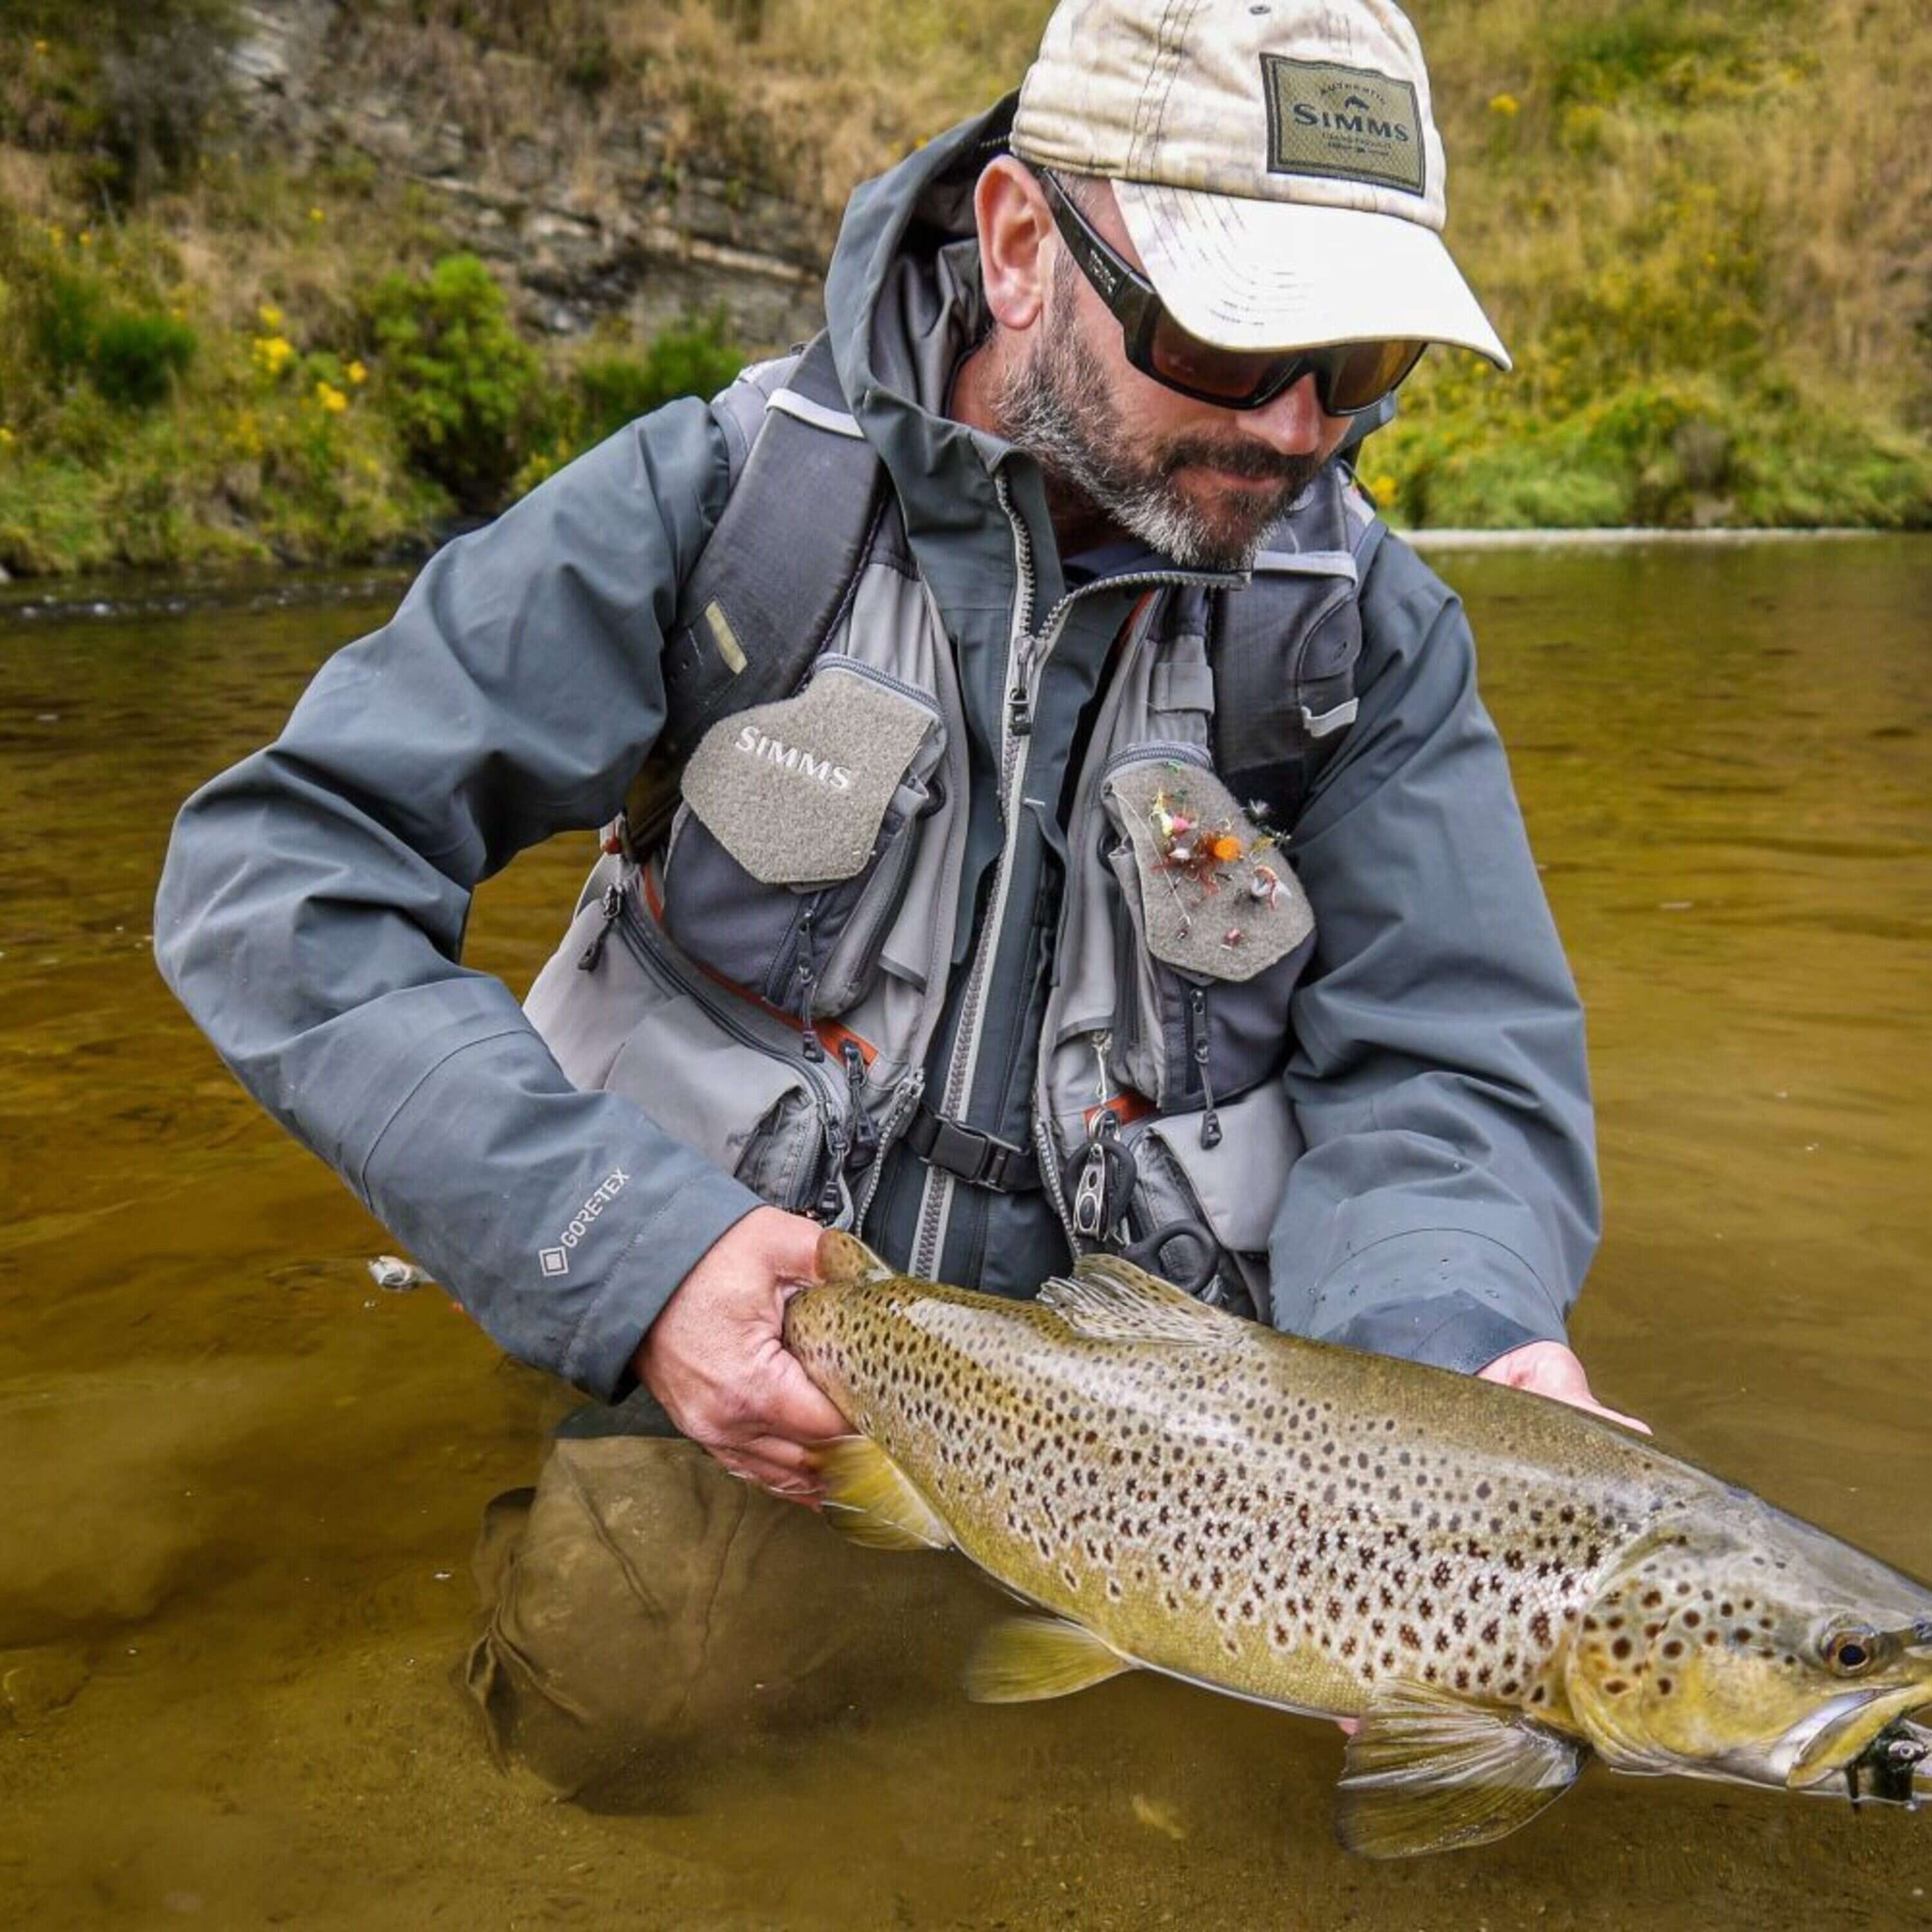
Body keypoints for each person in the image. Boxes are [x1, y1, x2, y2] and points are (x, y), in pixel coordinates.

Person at [155, 0, 1643, 1519]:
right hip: (734, 1412)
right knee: (623, 1735)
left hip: (1160, 1487)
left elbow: (1448, 1070)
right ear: (1018, 247)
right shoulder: (727, 509)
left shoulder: (1363, 641)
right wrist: (626, 1251)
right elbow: (279, 875)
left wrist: (1449, 1347)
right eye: (1225, 334)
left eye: (1357, 355)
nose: (1295, 426)